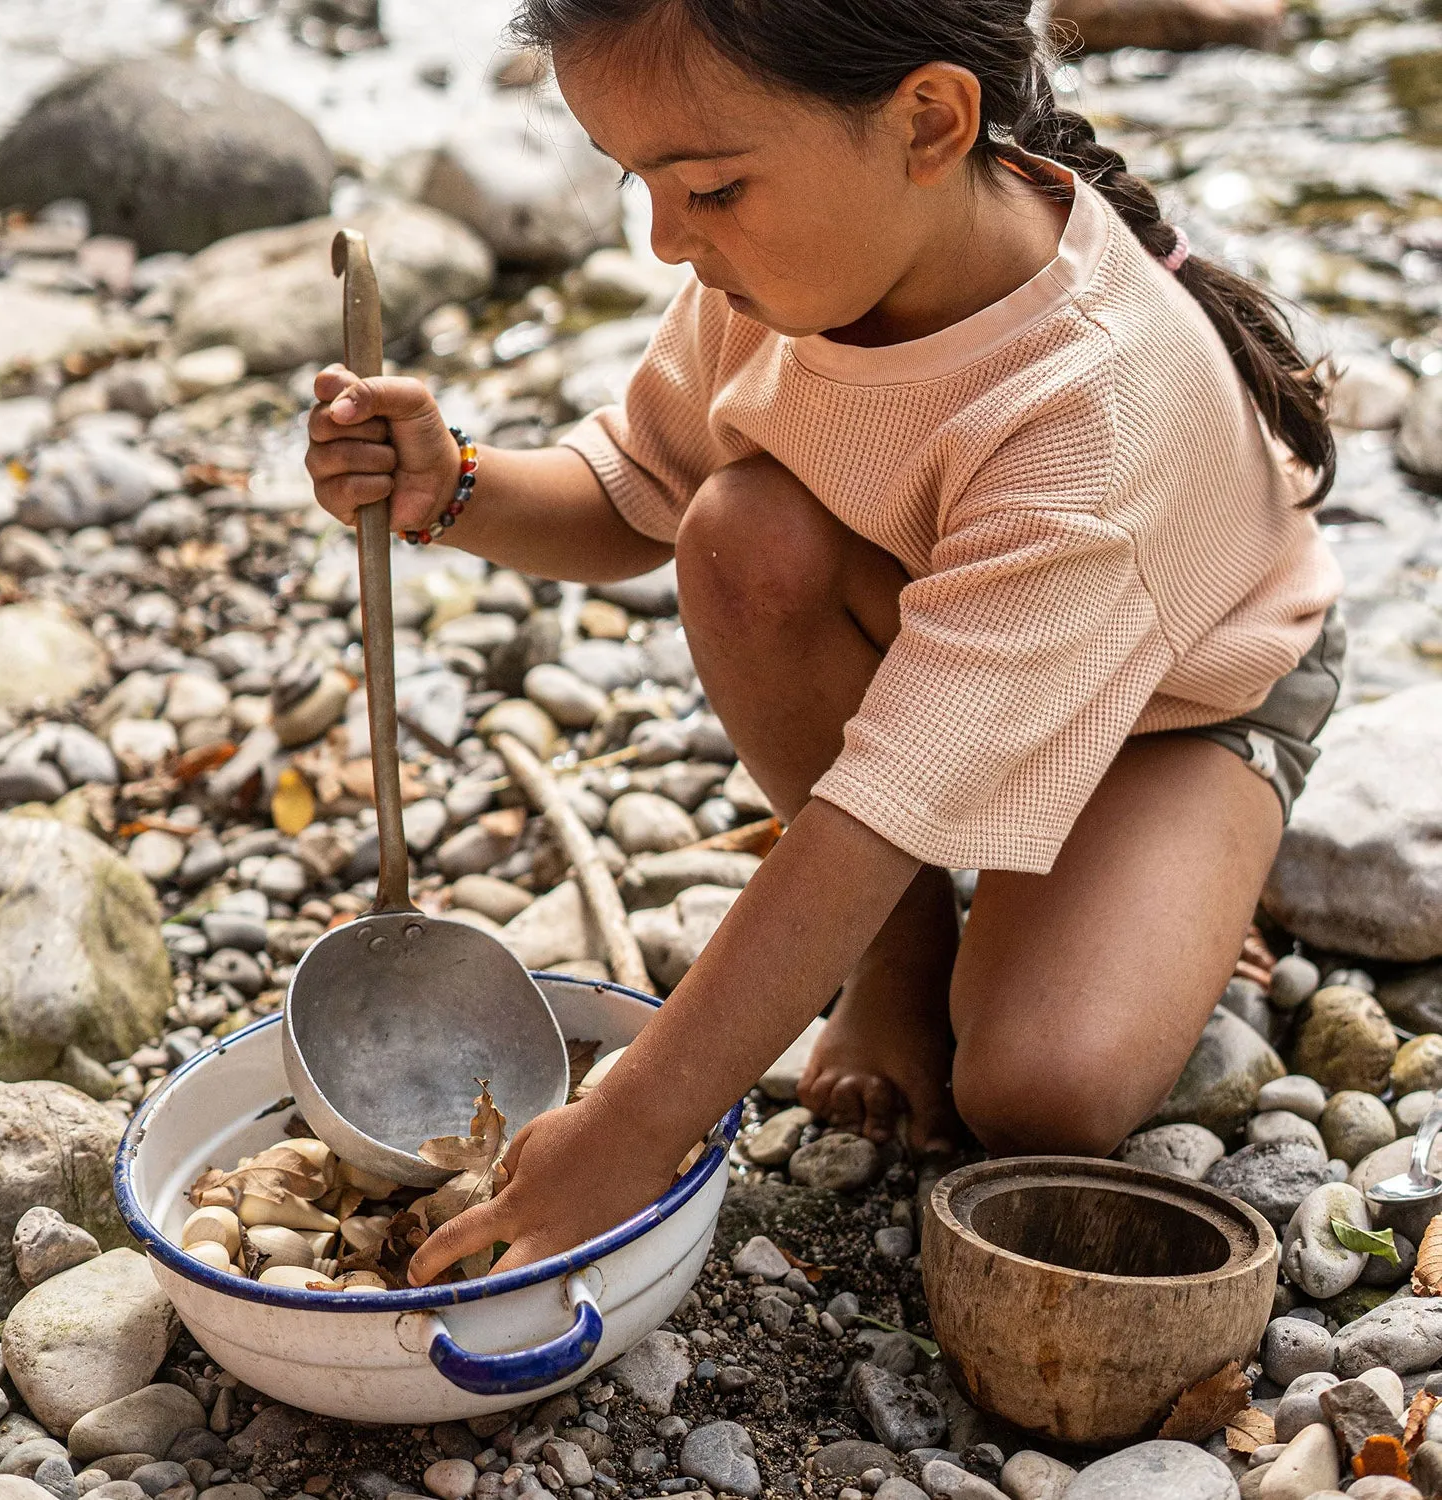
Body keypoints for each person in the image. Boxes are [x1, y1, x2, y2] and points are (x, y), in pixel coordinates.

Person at [304, 0, 1345, 1282]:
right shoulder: (796, 267)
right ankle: (897, 968)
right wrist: (451, 484)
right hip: (937, 669)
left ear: (928, 120)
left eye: (709, 189)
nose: (665, 239)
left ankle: (1214, 856)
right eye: (639, 184)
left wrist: (633, 1129)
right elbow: (640, 483)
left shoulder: (1094, 406)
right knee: (744, 533)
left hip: (1177, 703)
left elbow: (871, 814)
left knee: (1036, 1092)